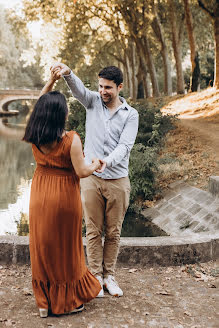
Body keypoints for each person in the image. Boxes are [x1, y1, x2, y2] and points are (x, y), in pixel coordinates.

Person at [51, 63, 139, 297]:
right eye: (100, 86)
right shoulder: (92, 102)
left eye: (108, 87)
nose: (103, 91)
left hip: (118, 180)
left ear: (120, 87)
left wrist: (107, 161)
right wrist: (68, 72)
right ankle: (95, 277)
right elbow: (78, 90)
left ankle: (109, 276)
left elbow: (125, 146)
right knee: (92, 231)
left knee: (113, 232)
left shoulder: (131, 115)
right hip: (91, 179)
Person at [22, 71, 102, 318]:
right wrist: (97, 164)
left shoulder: (35, 134)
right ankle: (67, 302)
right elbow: (82, 171)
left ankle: (44, 303)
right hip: (64, 198)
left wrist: (50, 82)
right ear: (61, 115)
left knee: (43, 247)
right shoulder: (71, 139)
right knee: (66, 250)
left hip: (39, 195)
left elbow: (39, 105)